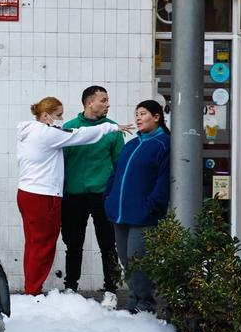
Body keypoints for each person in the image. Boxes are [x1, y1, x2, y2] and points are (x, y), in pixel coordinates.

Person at [17, 96, 131, 296]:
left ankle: (32, 288)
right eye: (58, 115)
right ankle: (33, 291)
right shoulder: (46, 133)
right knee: (44, 245)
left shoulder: (31, 132)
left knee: (34, 243)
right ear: (45, 116)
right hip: (43, 195)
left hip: (28, 192)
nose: (62, 119)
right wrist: (111, 127)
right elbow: (79, 135)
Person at [104, 99, 171, 314]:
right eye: (136, 114)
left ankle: (145, 304)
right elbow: (115, 174)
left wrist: (152, 206)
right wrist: (109, 198)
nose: (138, 118)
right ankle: (133, 301)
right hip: (120, 213)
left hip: (144, 215)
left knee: (138, 261)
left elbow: (163, 181)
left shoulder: (164, 144)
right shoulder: (132, 144)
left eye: (143, 114)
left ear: (157, 117)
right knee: (126, 261)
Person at [61, 86, 124, 304]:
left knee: (108, 244)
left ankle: (111, 290)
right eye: (103, 100)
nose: (107, 104)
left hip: (102, 196)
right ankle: (70, 287)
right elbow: (60, 165)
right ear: (89, 103)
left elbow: (118, 165)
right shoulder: (69, 129)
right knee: (73, 244)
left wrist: (114, 195)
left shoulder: (113, 130)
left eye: (108, 100)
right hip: (73, 195)